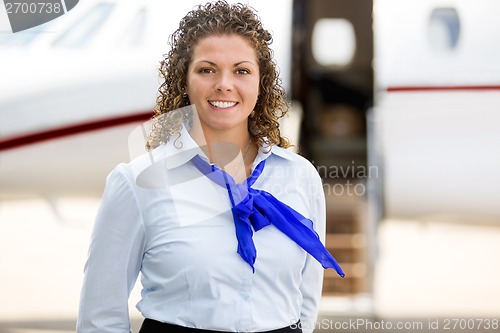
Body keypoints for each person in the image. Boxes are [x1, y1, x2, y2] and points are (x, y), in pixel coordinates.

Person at [76, 1, 344, 333]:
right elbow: (99, 318)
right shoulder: (136, 182)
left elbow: (305, 304)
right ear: (183, 81)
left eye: (242, 70)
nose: (224, 84)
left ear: (261, 84)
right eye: (207, 69)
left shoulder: (300, 176)